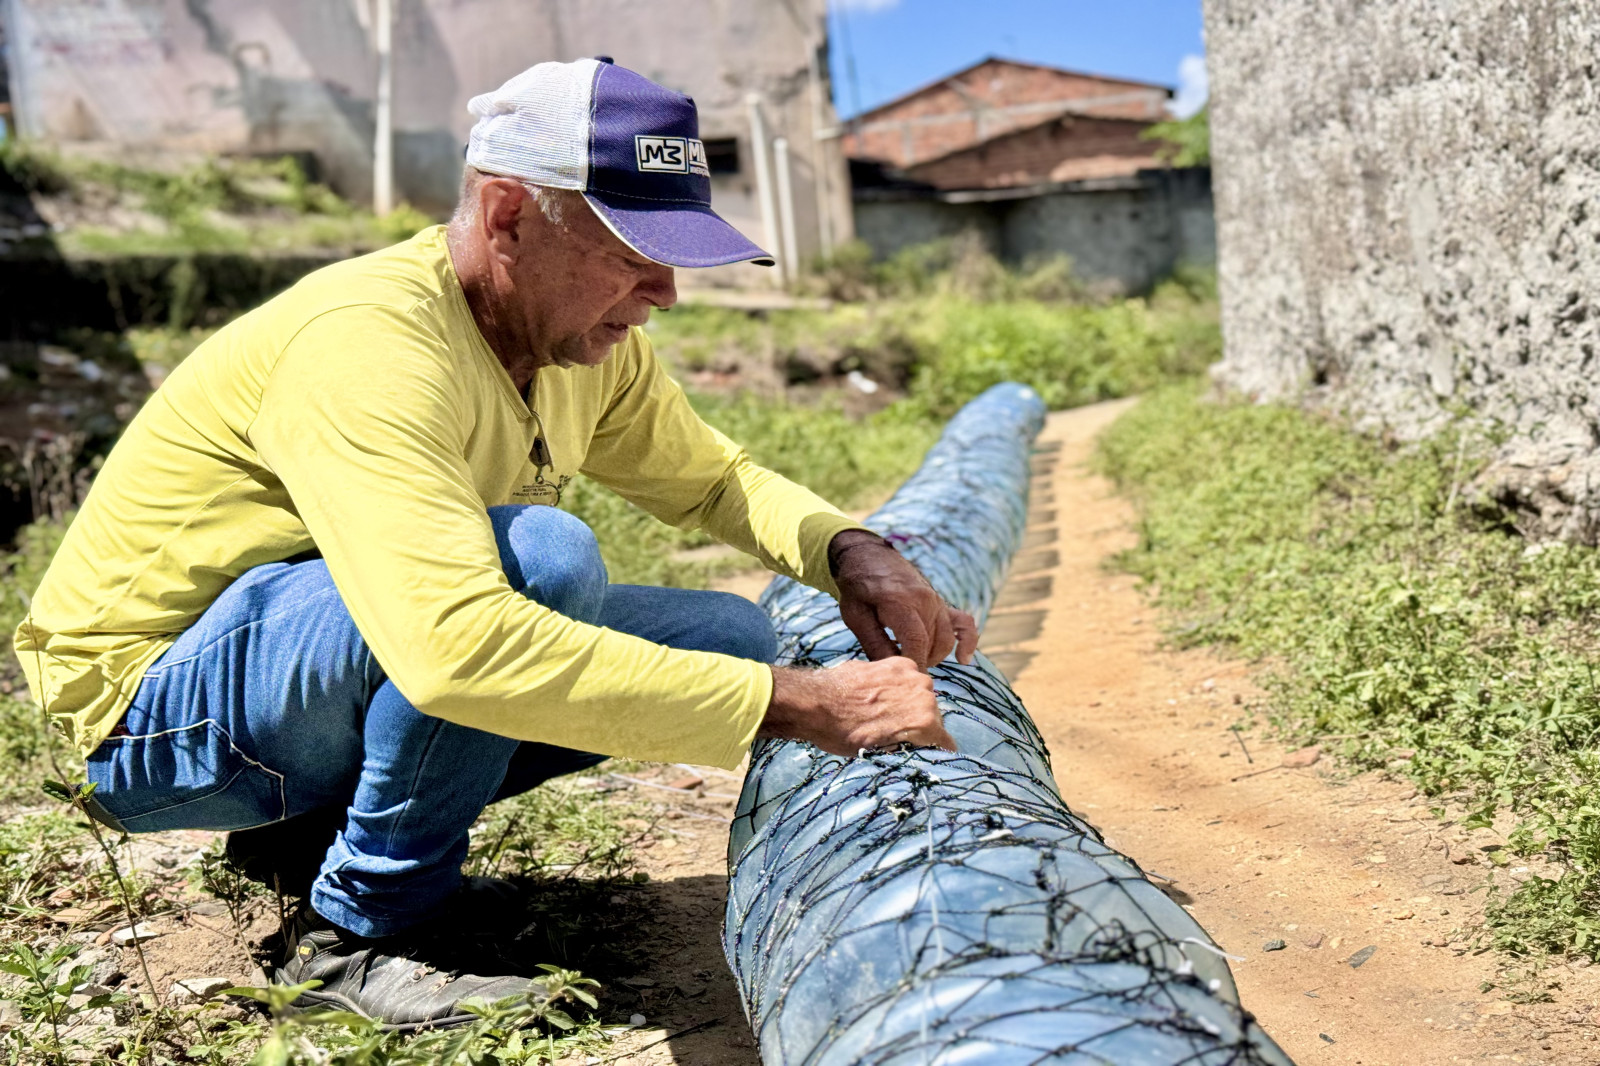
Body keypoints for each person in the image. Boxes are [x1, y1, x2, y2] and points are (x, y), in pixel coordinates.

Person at [14, 58, 975, 1028]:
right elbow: (455, 647)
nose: (666, 293)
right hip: (145, 720)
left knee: (727, 638)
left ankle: (308, 842)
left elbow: (714, 479)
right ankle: (354, 941)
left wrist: (854, 550)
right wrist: (805, 703)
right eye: (633, 251)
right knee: (541, 565)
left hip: (284, 687)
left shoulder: (580, 347)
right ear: (509, 213)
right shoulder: (373, 343)